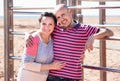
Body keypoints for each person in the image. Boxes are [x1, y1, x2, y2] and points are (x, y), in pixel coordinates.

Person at [26, 4, 114, 81]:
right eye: (58, 17)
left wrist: (92, 37)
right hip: (53, 77)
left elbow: (109, 32)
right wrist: (27, 35)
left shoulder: (84, 29)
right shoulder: (55, 29)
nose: (61, 19)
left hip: (73, 78)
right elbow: (41, 31)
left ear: (70, 12)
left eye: (63, 15)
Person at [17, 12, 66, 81]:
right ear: (39, 24)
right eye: (44, 24)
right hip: (27, 78)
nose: (46, 27)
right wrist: (51, 66)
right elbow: (27, 64)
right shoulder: (33, 39)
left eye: (50, 24)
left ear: (54, 25)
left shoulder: (52, 39)